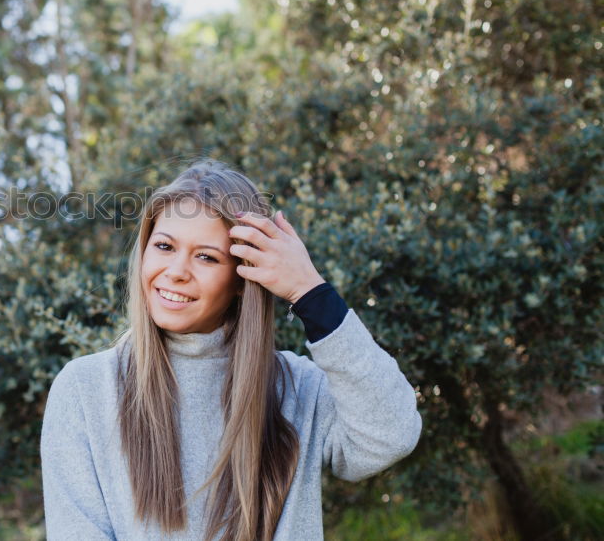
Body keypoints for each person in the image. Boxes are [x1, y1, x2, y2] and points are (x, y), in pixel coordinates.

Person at [40, 158, 422, 540]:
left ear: (243, 277)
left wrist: (311, 293)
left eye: (206, 256)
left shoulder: (297, 388)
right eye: (164, 246)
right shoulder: (85, 389)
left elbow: (391, 435)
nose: (176, 270)